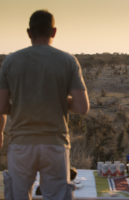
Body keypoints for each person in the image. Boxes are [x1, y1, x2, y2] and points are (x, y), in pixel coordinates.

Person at [0, 10, 89, 200]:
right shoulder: (67, 61)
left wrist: (23, 103)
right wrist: (58, 101)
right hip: (55, 144)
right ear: (53, 32)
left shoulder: (11, 61)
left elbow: (1, 107)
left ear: (29, 32)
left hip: (21, 145)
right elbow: (82, 107)